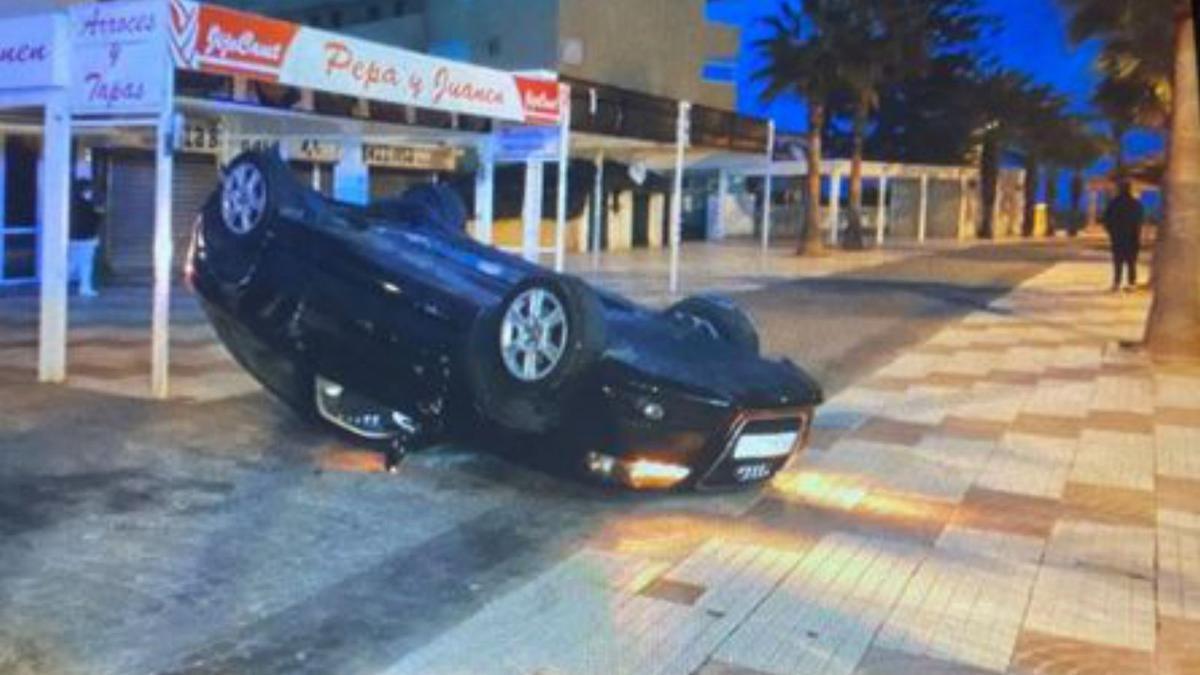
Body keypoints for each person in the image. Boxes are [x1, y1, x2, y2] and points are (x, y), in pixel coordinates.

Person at [1101, 179, 1145, 292]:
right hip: (1132, 236)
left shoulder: (1114, 203)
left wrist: (1111, 232)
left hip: (1118, 236)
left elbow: (1106, 219)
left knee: (1118, 261)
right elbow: (1140, 220)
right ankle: (1131, 283)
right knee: (1131, 261)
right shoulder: (1135, 204)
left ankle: (1116, 283)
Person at [69, 180, 100, 297]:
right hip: (86, 239)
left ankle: (84, 287)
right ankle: (84, 288)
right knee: (83, 264)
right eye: (89, 190)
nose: (90, 193)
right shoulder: (86, 205)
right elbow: (94, 220)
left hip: (76, 238)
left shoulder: (73, 204)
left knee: (76, 263)